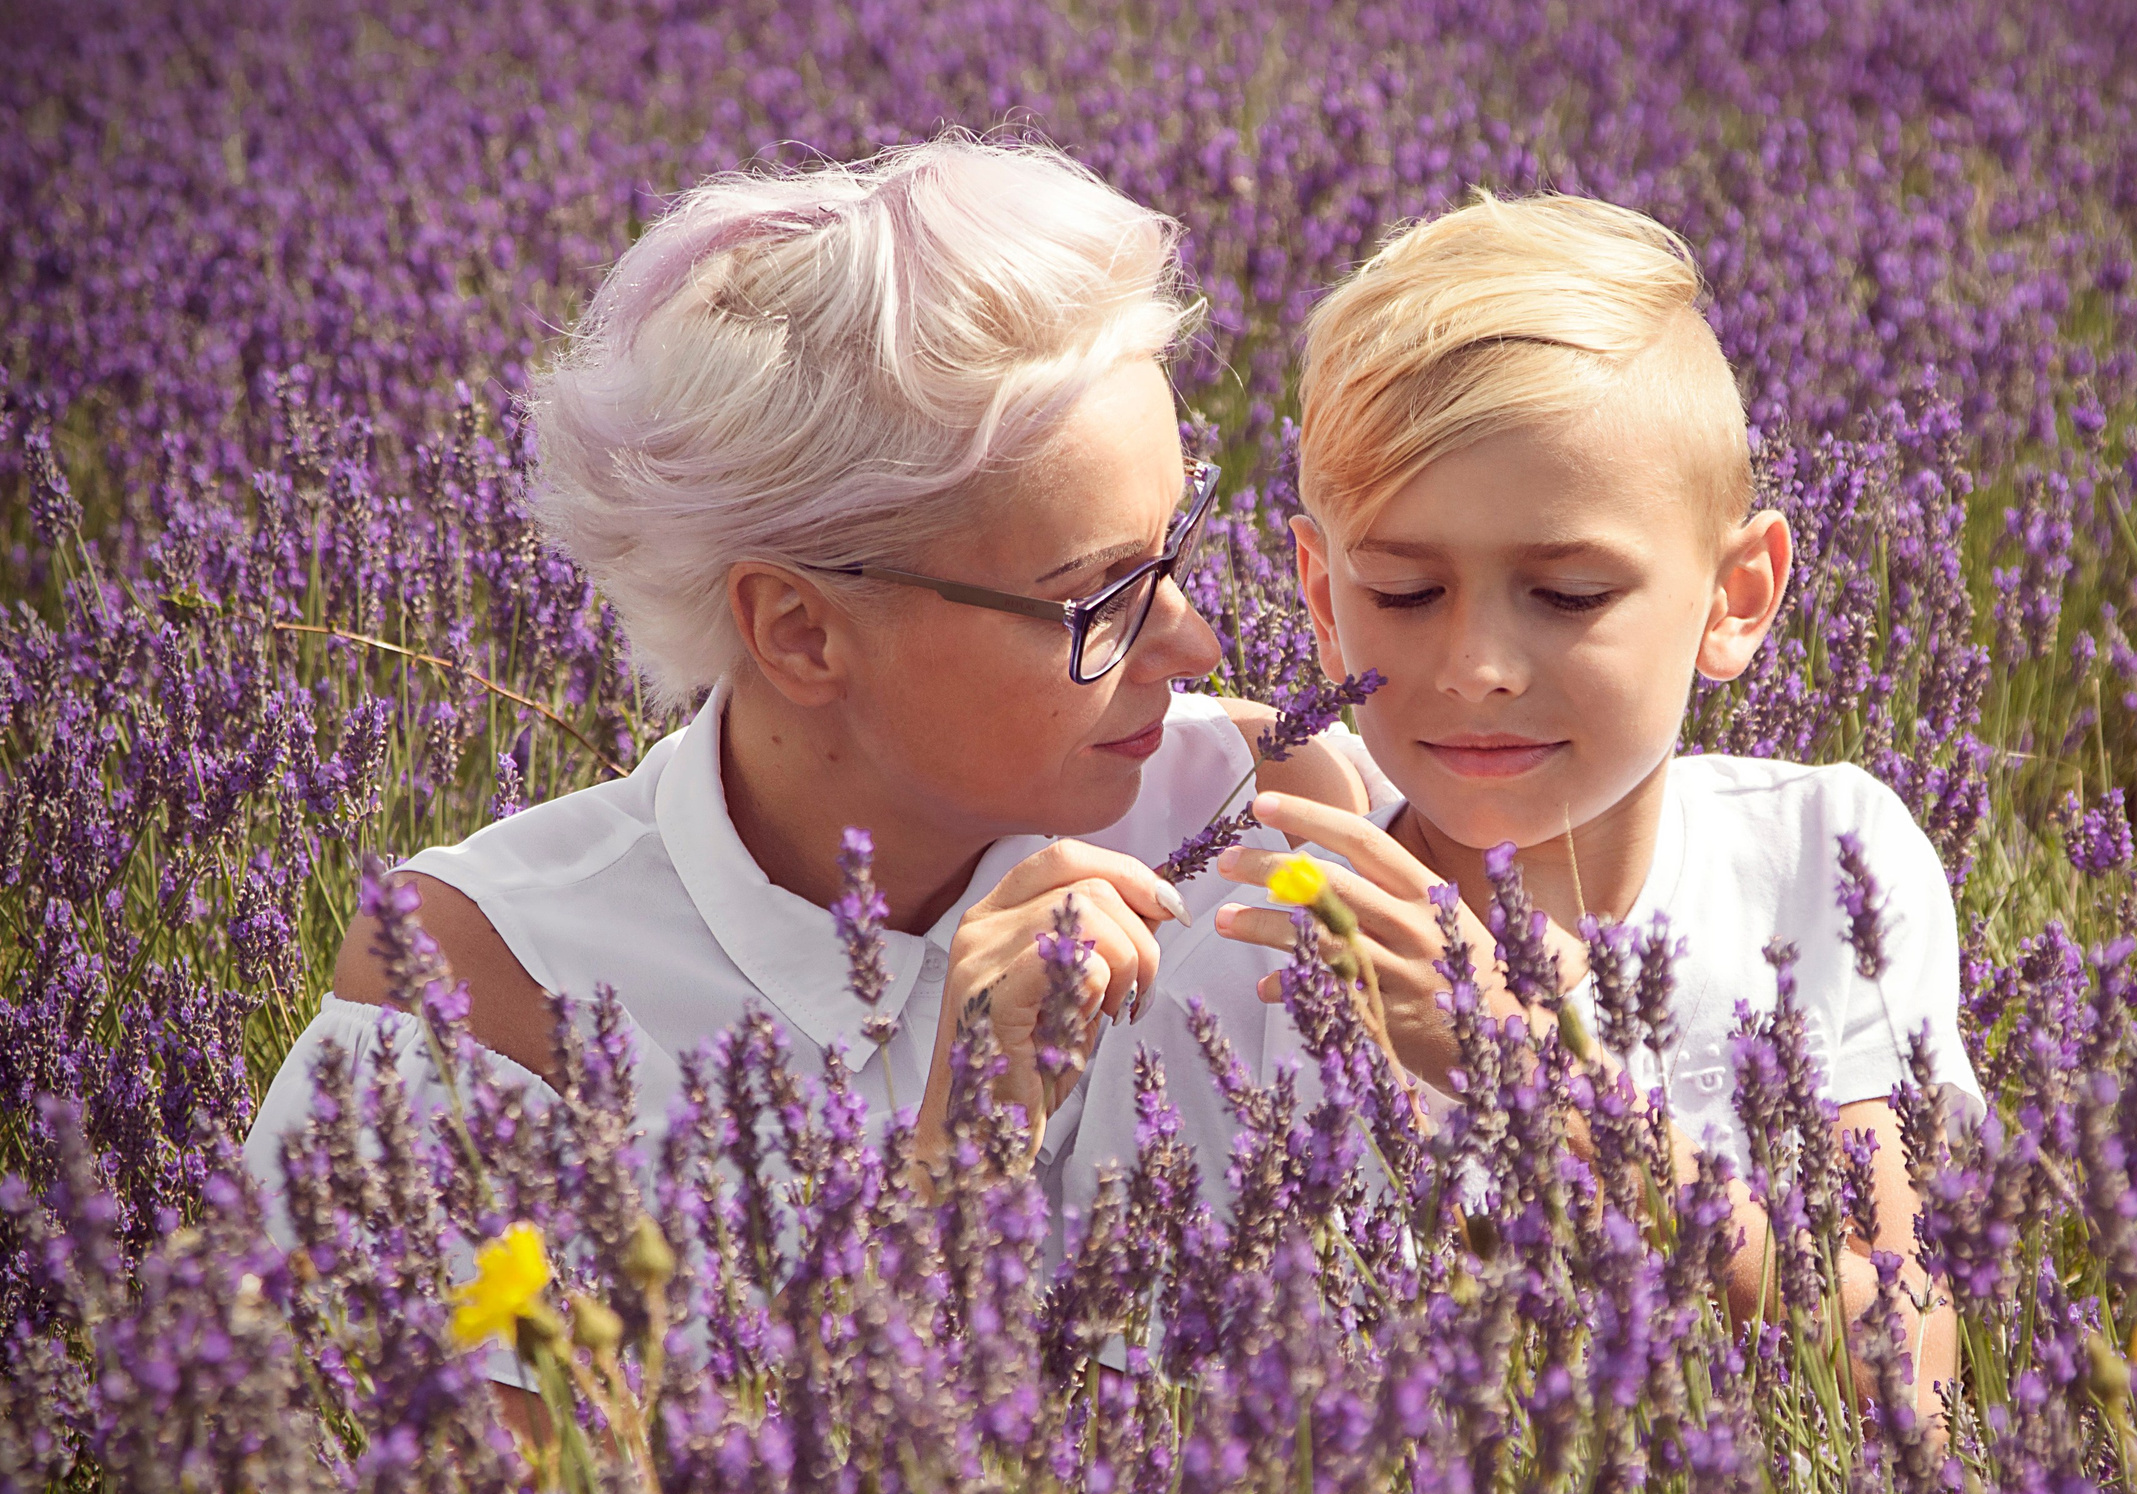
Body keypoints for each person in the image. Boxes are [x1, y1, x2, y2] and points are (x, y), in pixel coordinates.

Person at [242, 137, 1365, 1289]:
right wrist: (951, 1172)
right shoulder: (483, 997)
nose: (1196, 644)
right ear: (799, 631)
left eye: (1173, 545)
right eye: (1098, 596)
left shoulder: (1271, 821)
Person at [1177, 193, 1987, 1418]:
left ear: (1735, 597)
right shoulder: (1264, 922)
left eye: (1566, 595)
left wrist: (1553, 1085)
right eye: (1403, 592)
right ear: (1323, 597)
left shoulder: (1823, 862)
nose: (1476, 668)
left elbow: (1907, 1368)